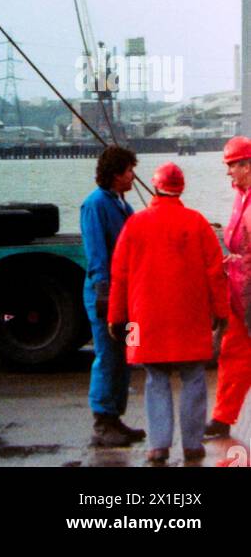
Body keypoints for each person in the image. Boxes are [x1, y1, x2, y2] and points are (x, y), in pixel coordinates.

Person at [108, 163, 228, 464]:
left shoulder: (135, 224)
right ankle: (192, 444)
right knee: (194, 378)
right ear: (181, 187)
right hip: (190, 316)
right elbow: (215, 273)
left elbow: (119, 275)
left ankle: (158, 445)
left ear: (154, 185)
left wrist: (115, 316)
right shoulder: (197, 223)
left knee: (155, 379)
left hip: (145, 318)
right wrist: (221, 311)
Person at [80, 145, 146, 447]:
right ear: (116, 174)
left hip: (127, 295)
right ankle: (102, 422)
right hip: (106, 295)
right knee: (107, 357)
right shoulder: (95, 205)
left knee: (125, 357)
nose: (133, 176)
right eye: (129, 170)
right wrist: (105, 295)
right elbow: (96, 255)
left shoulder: (122, 205)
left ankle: (116, 417)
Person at [205, 135, 251, 439]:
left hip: (246, 291)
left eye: (231, 165)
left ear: (247, 166)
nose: (228, 172)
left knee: (235, 354)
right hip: (240, 290)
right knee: (232, 354)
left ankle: (222, 418)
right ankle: (222, 418)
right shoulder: (241, 195)